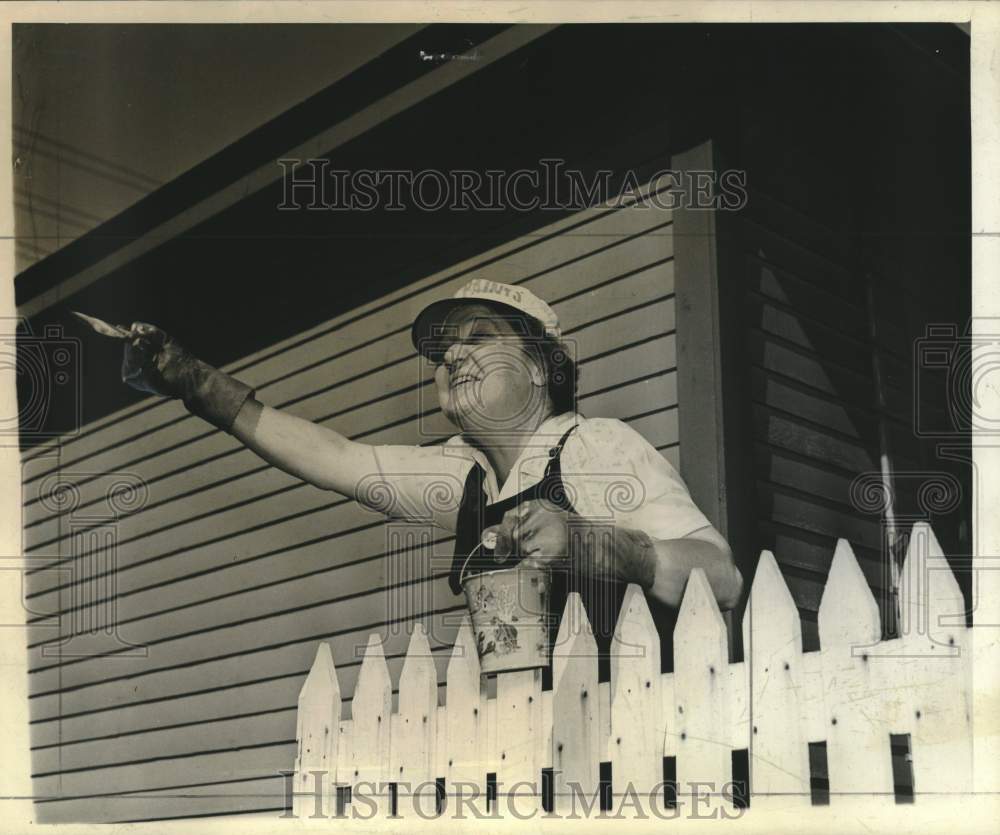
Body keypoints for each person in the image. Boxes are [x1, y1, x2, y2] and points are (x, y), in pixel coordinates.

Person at [120, 279, 742, 682]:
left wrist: (587, 542)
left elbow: (721, 576)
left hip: (631, 737)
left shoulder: (593, 444)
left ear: (540, 366)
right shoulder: (464, 472)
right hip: (525, 747)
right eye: (444, 349)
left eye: (480, 337)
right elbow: (341, 460)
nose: (450, 357)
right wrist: (198, 384)